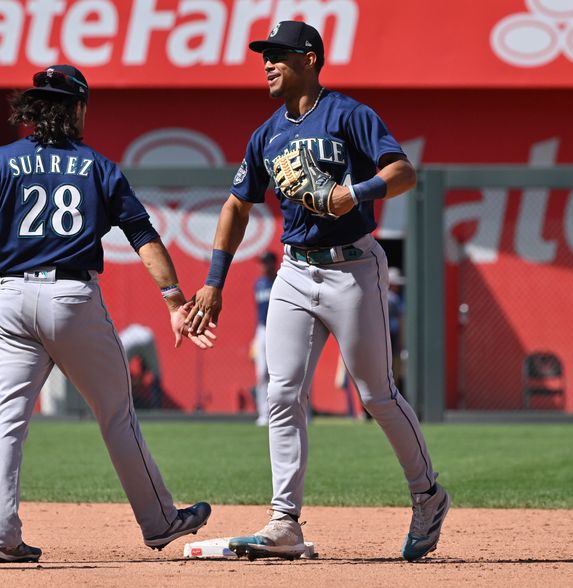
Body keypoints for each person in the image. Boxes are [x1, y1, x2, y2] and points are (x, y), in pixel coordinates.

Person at [187, 21, 449, 562]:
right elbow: (238, 204)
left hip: (354, 269)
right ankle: (284, 521)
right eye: (264, 55)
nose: (267, 63)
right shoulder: (267, 134)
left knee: (376, 395)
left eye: (277, 54)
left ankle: (428, 495)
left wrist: (355, 194)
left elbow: (403, 172)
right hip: (295, 272)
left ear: (309, 58)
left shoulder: (349, 114)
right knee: (281, 394)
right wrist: (214, 280)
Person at [0, 64, 214, 564]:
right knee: (116, 414)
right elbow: (142, 234)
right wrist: (174, 299)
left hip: (10, 297)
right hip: (71, 298)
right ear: (76, 108)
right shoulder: (97, 166)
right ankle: (159, 521)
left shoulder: (0, 162)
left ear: (34, 108)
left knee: (7, 420)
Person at [250, 251, 277, 426]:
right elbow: (258, 313)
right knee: (261, 373)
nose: (263, 266)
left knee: (288, 372)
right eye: (262, 262)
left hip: (280, 328)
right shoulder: (258, 284)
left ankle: (299, 412)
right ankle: (264, 413)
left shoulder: (279, 282)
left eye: (266, 262)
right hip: (262, 329)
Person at [387, 266, 406, 391]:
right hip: (390, 337)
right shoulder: (390, 298)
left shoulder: (395, 298)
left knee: (395, 368)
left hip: (393, 338)